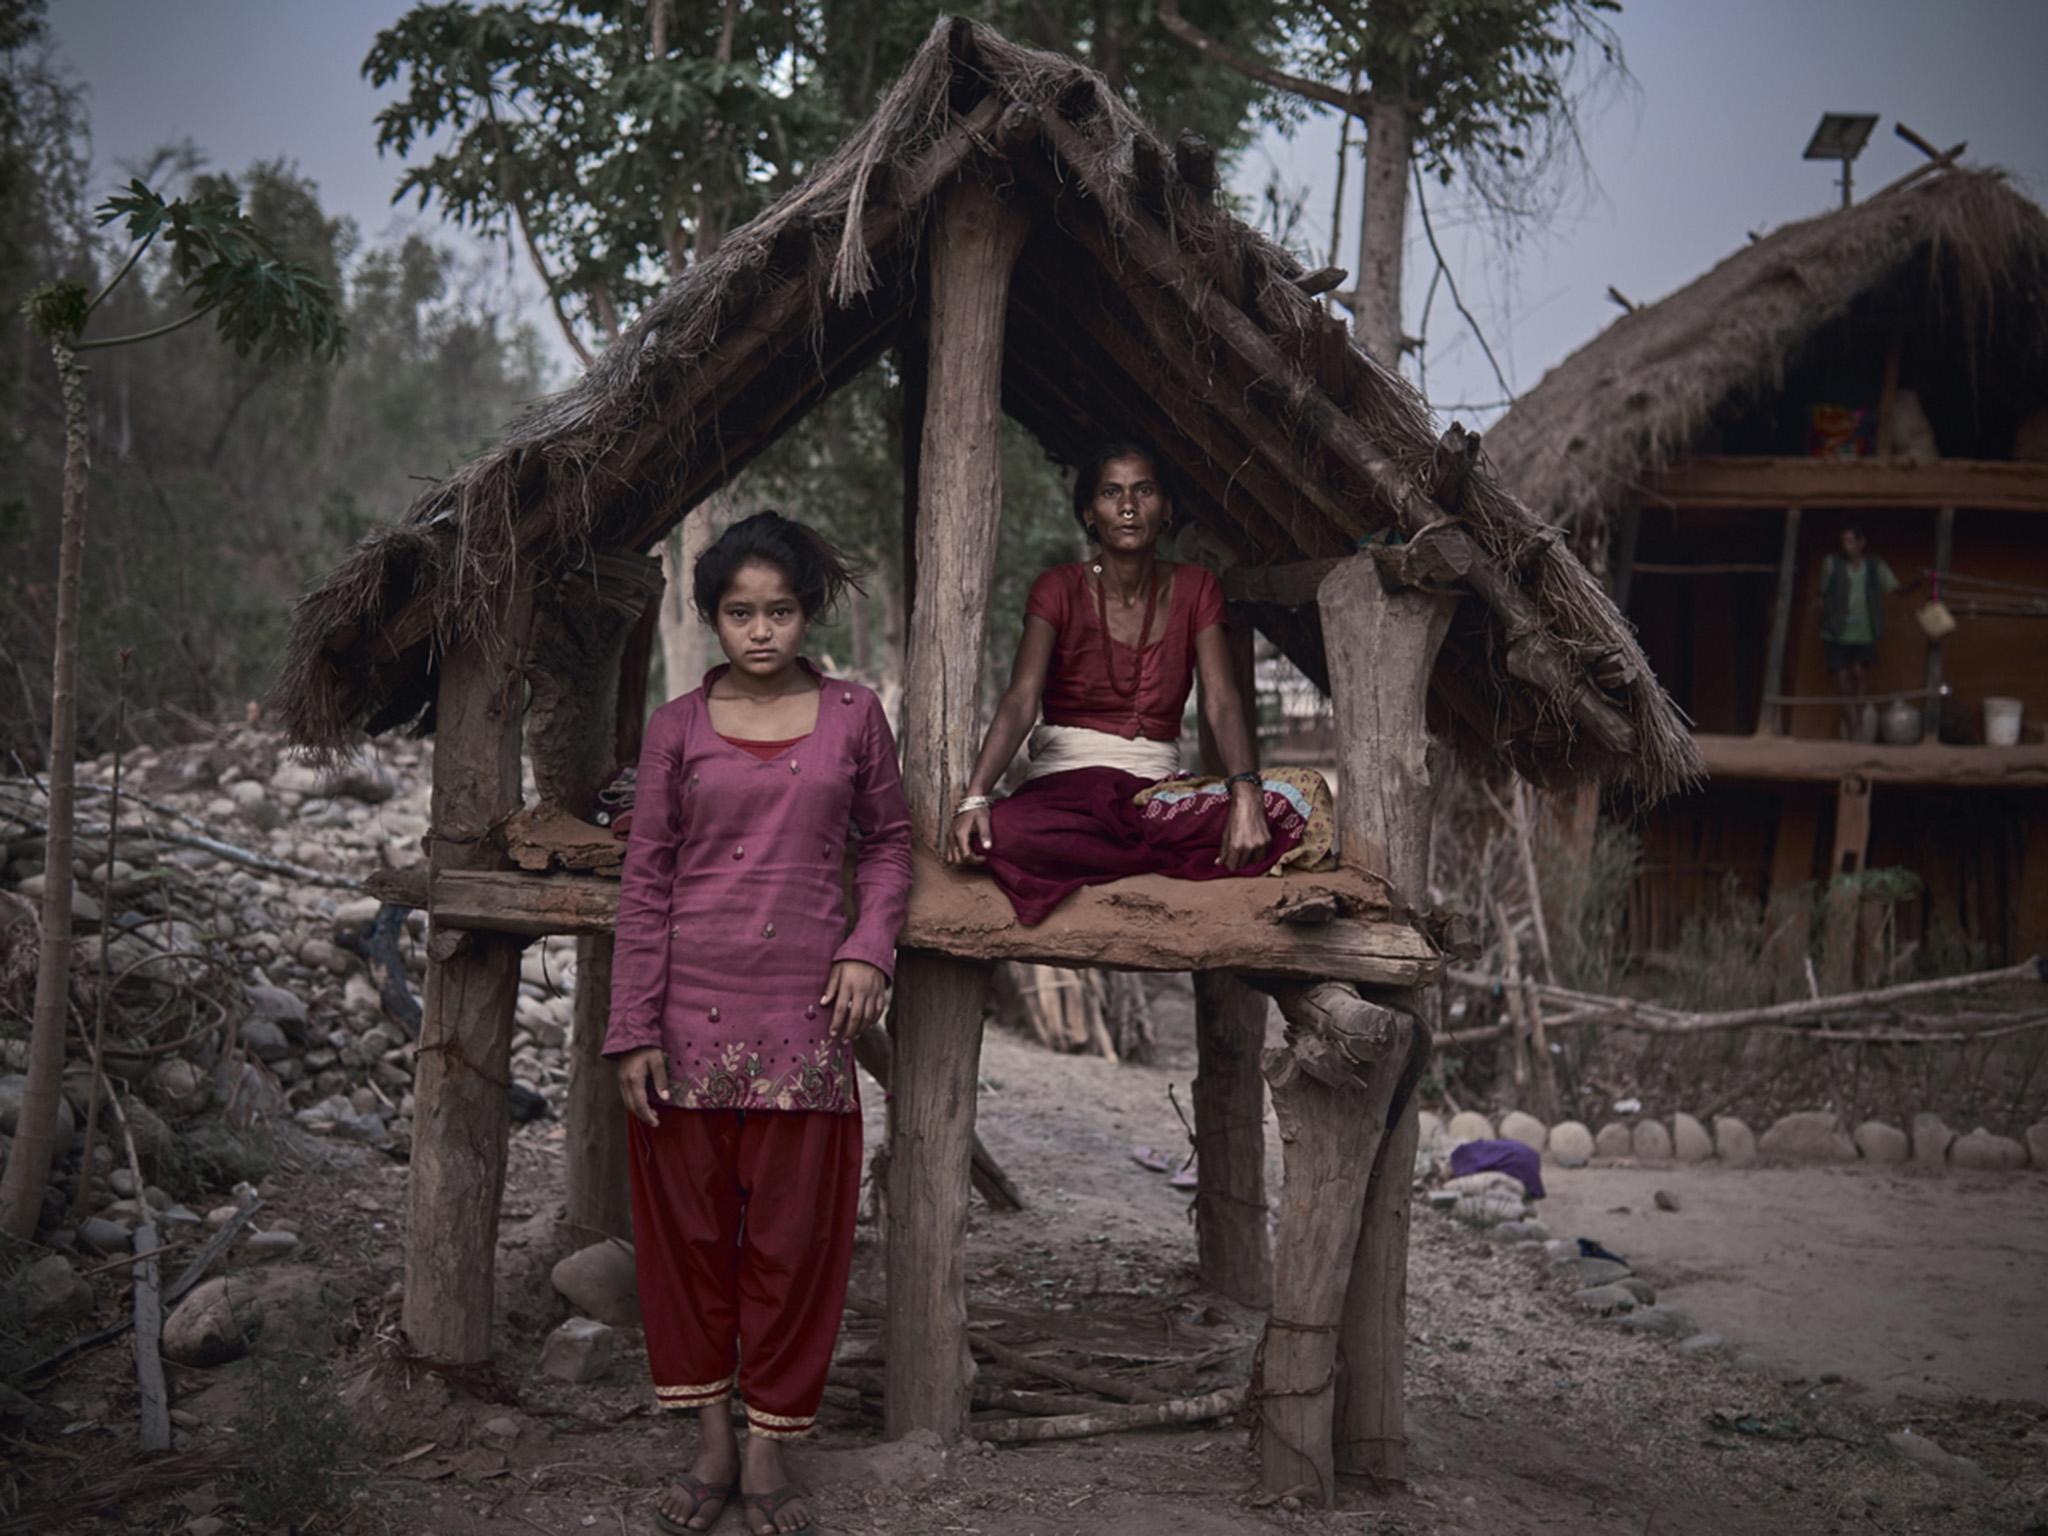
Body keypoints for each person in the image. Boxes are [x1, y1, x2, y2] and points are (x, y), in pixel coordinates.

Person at [605, 512, 912, 1536]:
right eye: (739, 612)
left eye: (779, 611)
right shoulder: (674, 731)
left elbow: (889, 845)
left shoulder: (852, 716)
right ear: (711, 619)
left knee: (792, 1245)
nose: (760, 631)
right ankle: (711, 1446)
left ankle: (773, 1451)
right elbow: (644, 883)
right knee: (689, 1245)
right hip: (685, 1021)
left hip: (805, 1020)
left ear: (807, 613)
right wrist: (630, 1027)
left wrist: (869, 945)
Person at [946, 441, 1333, 922]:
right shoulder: (1057, 588)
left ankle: (1115, 852)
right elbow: (1021, 700)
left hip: (1158, 798)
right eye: (1111, 493)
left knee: (1301, 798)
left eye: (1143, 491)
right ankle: (1166, 855)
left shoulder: (1197, 587)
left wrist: (1246, 793)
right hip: (1066, 794)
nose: (1128, 507)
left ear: (1166, 509)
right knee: (999, 833)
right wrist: (976, 796)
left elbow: (1222, 700)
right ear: (1089, 513)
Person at [1817, 524, 1918, 739]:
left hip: (1864, 633)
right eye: (1844, 542)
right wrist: (1822, 606)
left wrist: (1915, 584)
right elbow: (1821, 592)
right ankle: (1852, 729)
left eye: (1851, 542)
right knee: (1843, 682)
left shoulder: (1874, 566)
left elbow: (1895, 588)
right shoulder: (1832, 564)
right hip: (1837, 631)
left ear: (1862, 543)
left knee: (1859, 675)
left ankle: (1860, 727)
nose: (1847, 546)